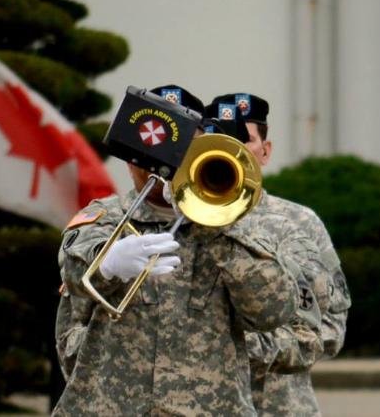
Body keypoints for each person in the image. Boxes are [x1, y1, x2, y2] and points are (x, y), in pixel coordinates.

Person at [53, 85, 298, 415]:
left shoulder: (237, 227)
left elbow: (273, 312)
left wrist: (215, 226)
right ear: (131, 160)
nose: (162, 164)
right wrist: (108, 263)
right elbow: (73, 274)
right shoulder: (103, 217)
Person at [208, 92, 351, 416]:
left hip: (279, 407)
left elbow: (331, 325)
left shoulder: (299, 223)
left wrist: (245, 348)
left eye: (241, 141)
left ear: (265, 151)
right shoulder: (181, 224)